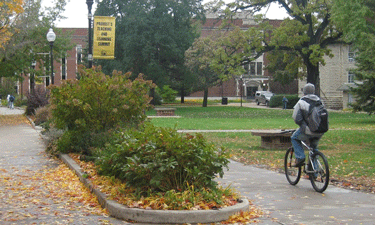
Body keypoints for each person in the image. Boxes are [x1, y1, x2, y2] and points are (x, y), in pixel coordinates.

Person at [291, 83, 324, 167]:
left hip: (308, 130)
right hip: (320, 130)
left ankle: (300, 157)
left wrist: (302, 125)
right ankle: (315, 172)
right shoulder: (320, 101)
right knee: (314, 148)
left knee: (294, 138)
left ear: (304, 92)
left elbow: (296, 118)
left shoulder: (302, 102)